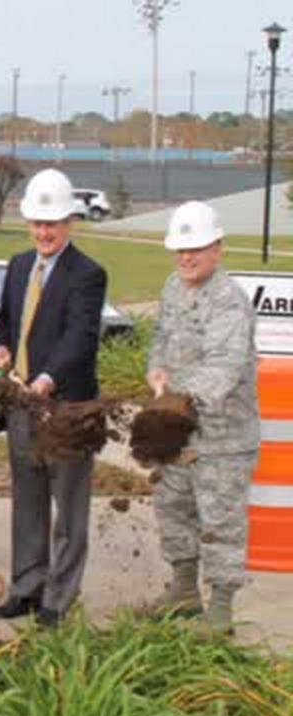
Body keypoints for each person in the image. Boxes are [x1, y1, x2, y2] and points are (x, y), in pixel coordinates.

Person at [0, 168, 107, 628]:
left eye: (51, 224)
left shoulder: (88, 274)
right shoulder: (19, 265)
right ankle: (26, 588)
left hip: (67, 409)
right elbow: (5, 321)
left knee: (68, 509)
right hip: (21, 405)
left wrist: (48, 378)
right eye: (37, 223)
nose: (43, 232)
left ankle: (58, 598)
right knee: (28, 502)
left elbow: (81, 337)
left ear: (69, 223)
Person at [146, 201, 258, 634]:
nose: (187, 258)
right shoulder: (174, 288)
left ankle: (221, 610)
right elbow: (160, 339)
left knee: (220, 522)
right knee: (174, 509)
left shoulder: (229, 301)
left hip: (222, 439)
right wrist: (156, 372)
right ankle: (184, 590)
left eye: (196, 249)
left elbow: (224, 369)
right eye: (180, 250)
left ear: (218, 249)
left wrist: (175, 402)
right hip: (178, 434)